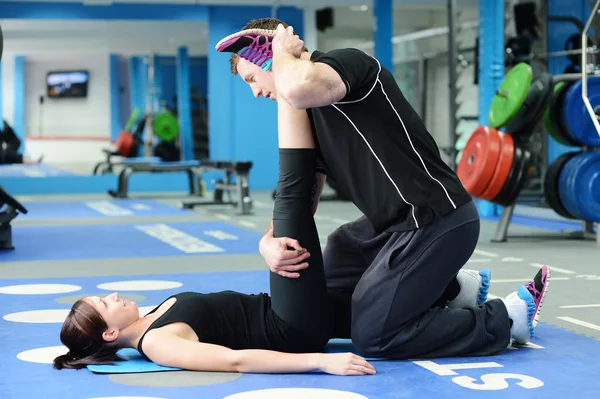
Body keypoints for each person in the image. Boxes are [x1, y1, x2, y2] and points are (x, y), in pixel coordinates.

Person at [216, 18, 551, 359]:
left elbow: (298, 87)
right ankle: (451, 291)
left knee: (373, 336)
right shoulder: (309, 119)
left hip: (436, 219)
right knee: (327, 290)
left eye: (252, 79)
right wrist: (268, 240)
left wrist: (283, 51)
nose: (256, 92)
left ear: (269, 55)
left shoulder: (347, 64)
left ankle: (506, 320)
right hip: (388, 228)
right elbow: (304, 195)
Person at [52, 77, 377, 377]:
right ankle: (286, 82)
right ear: (109, 333)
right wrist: (320, 361)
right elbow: (235, 360)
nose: (113, 295)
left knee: (379, 302)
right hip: (290, 328)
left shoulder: (152, 317)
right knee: (291, 203)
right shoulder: (156, 344)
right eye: (105, 304)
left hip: (289, 311)